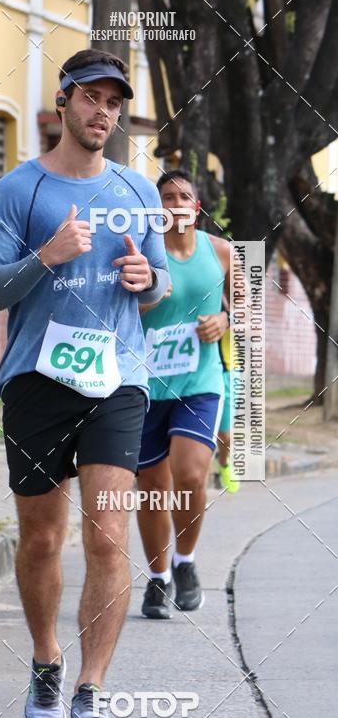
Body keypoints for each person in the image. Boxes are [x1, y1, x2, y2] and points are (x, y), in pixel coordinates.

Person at [0, 48, 170, 718]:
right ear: (64, 103)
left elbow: (163, 281)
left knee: (109, 537)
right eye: (91, 99)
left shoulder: (139, 192)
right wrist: (44, 257)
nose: (102, 114)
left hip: (118, 380)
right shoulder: (18, 191)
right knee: (42, 539)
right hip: (36, 381)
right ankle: (47, 660)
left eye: (114, 104)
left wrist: (150, 280)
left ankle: (91, 690)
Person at [136, 169, 231, 619]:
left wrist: (226, 321)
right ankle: (158, 578)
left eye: (184, 196)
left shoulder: (223, 253)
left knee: (191, 474)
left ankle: (185, 563)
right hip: (145, 386)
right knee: (152, 487)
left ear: (196, 207)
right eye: (166, 196)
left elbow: (248, 319)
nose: (176, 202)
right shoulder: (140, 253)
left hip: (200, 384)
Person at [215, 328, 240, 493]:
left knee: (225, 434)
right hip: (199, 372)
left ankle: (223, 462)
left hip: (229, 373)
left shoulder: (238, 303)